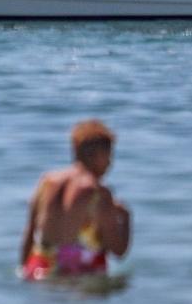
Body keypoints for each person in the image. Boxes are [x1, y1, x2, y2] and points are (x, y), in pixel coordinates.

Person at [21, 119, 132, 280]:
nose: (110, 163)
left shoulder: (47, 181)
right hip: (77, 273)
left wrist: (25, 272)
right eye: (109, 155)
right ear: (99, 155)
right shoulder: (98, 192)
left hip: (38, 266)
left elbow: (29, 234)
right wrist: (126, 217)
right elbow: (119, 251)